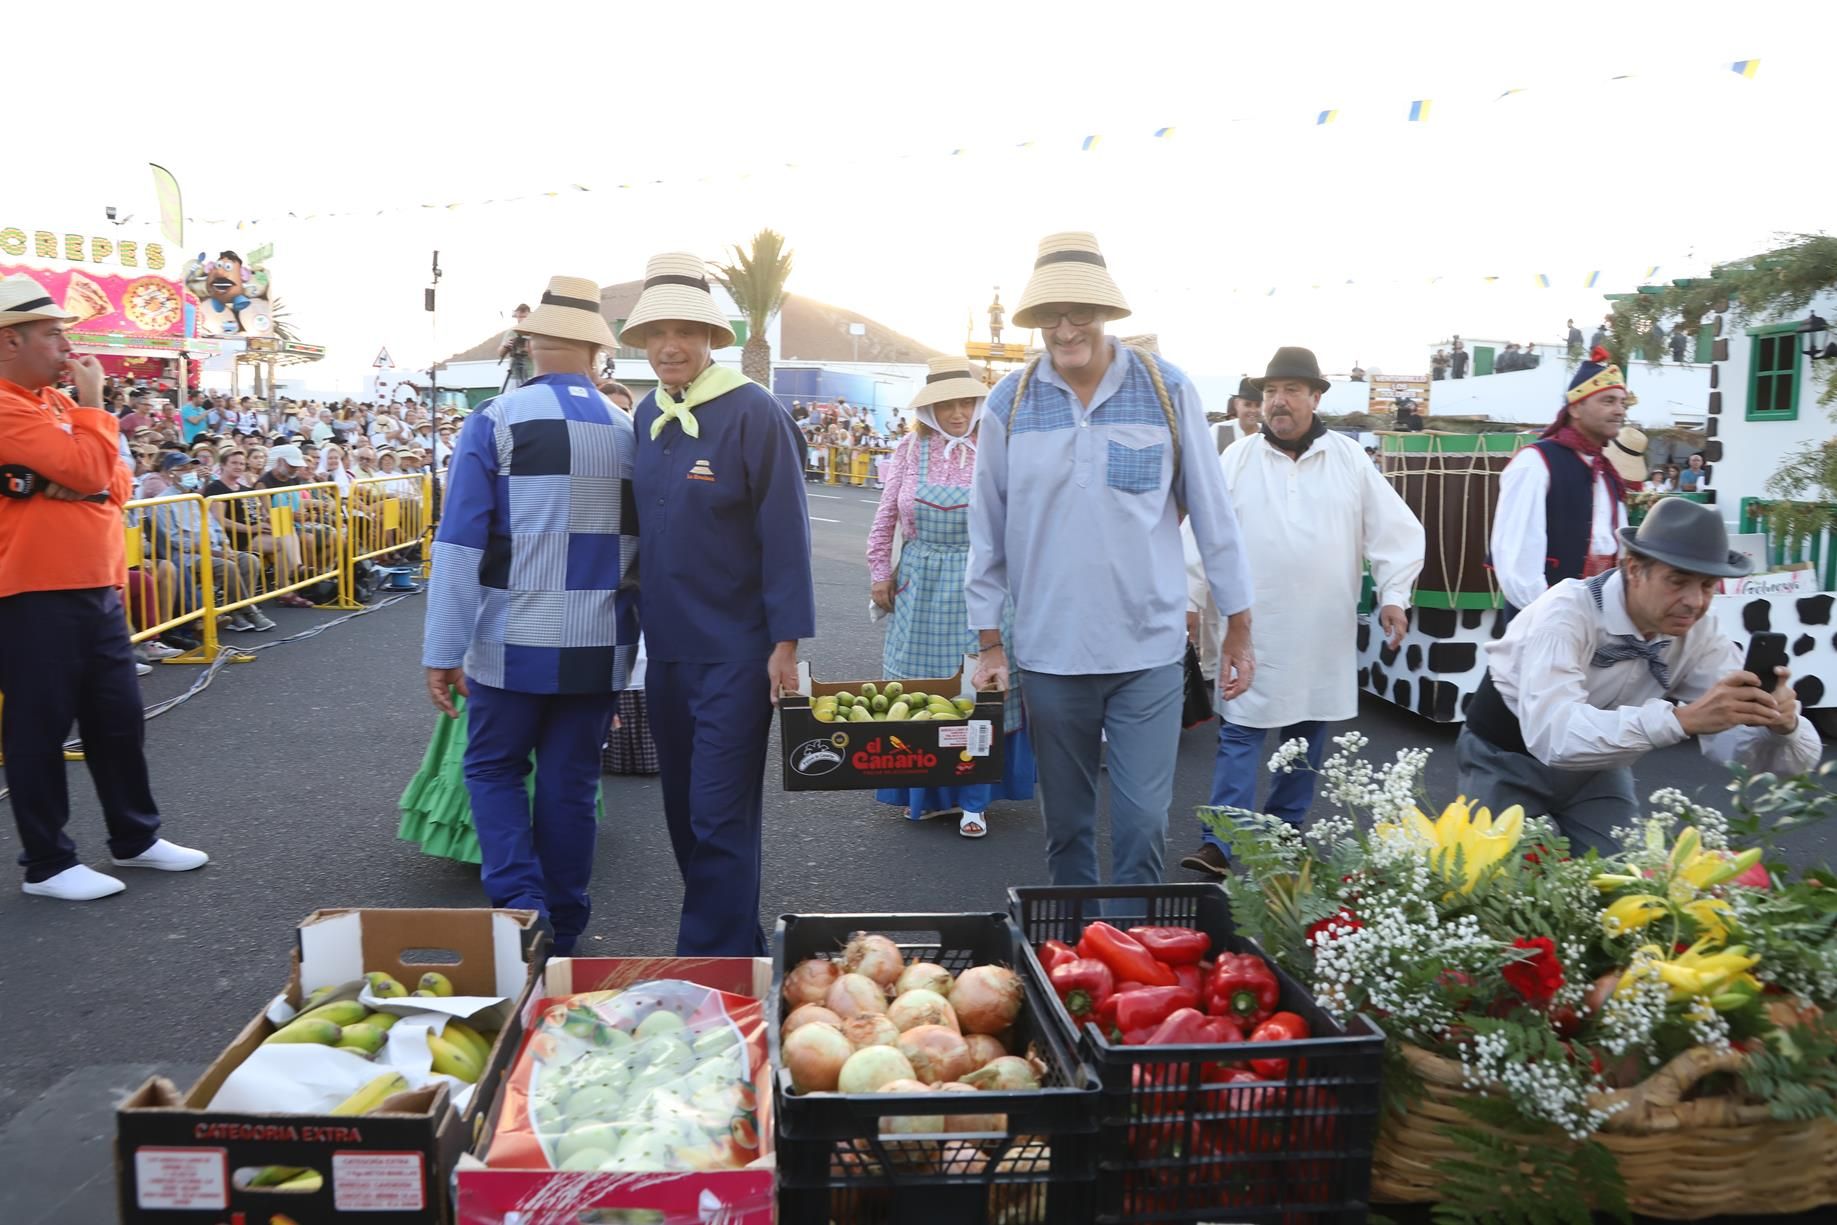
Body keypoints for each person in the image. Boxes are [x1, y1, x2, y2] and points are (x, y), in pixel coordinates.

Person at [967, 232, 1254, 889]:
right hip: (1049, 654)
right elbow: (986, 532)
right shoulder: (1008, 403)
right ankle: (1070, 967)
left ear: (1106, 313)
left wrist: (1237, 623)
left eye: (1079, 312)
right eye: (1049, 315)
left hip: (1146, 653)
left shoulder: (1164, 388)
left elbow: (1213, 515)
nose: (1064, 328)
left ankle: (1132, 968)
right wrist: (987, 641)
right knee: (1065, 829)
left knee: (1141, 824)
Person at [420, 276, 636, 955]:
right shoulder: (631, 429)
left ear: (533, 341)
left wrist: (441, 647)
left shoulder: (494, 419)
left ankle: (519, 911)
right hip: (600, 641)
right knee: (570, 783)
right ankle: (566, 925)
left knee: (492, 768)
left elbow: (459, 545)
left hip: (511, 636)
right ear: (597, 349)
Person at [625, 253, 815, 956]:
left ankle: (711, 960)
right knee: (681, 811)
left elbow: (786, 532)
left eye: (685, 330)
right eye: (656, 332)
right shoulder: (647, 413)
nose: (669, 345)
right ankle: (736, 941)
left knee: (716, 811)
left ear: (711, 335)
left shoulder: (753, 411)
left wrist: (786, 643)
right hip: (667, 650)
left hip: (739, 652)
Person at [0, 274, 209, 900]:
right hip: (30, 591)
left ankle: (136, 838)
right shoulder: (17, 405)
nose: (67, 346)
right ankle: (48, 863)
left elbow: (115, 482)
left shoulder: (58, 407)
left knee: (117, 720)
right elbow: (96, 466)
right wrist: (92, 415)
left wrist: (74, 471)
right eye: (53, 333)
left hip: (96, 586)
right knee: (39, 728)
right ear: (10, 340)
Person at [1458, 498, 1819, 854]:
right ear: (1633, 569)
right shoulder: (1565, 613)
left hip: (1598, 767)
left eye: (1708, 586)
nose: (1695, 601)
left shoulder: (1700, 633)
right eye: (1678, 581)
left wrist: (1778, 725)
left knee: (1625, 879)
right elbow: (1554, 736)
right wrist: (1680, 720)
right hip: (1503, 756)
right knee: (1490, 884)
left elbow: (1739, 750)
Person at [1181, 347, 1424, 875]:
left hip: (1320, 630)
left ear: (1316, 397)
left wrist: (1393, 596)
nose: (1278, 401)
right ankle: (1221, 843)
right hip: (1250, 629)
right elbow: (1202, 533)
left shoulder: (1349, 459)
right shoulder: (1236, 459)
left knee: (1306, 734)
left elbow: (1395, 531)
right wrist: (1188, 598)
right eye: (1270, 391)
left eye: (1291, 390)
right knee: (1240, 731)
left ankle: (1285, 835)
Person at [867, 358, 1036, 838]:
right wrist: (880, 571)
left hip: (982, 583)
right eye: (948, 404)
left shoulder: (997, 447)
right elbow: (885, 518)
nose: (959, 413)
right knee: (922, 691)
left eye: (967, 402)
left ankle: (973, 800)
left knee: (978, 689)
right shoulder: (909, 448)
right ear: (930, 409)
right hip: (920, 585)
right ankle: (925, 794)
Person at [1489, 347, 1636, 620]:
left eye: (1622, 403)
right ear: (1576, 408)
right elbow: (1517, 557)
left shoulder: (1607, 473)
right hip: (1542, 621)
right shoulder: (1536, 463)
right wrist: (1553, 617)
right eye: (1608, 401)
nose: (1619, 411)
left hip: (1600, 624)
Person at [1216, 377, 1263, 453]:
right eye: (1247, 404)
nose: (1253, 410)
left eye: (1258, 405)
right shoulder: (1220, 431)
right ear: (1236, 404)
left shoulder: (1268, 435)